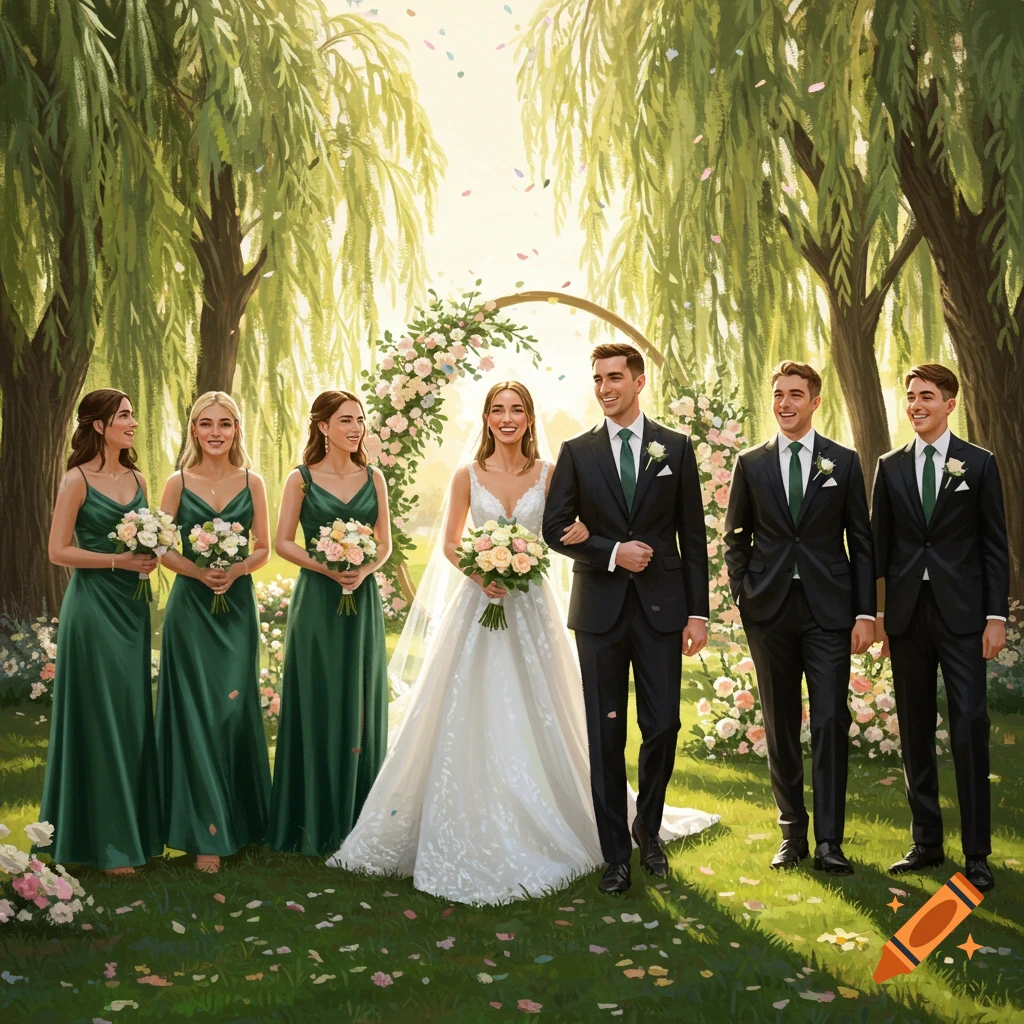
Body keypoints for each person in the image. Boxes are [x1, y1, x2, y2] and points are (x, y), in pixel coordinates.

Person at [328, 381, 719, 904]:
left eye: (516, 409)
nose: (507, 418)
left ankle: (608, 825)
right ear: (487, 418)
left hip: (533, 606)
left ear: (529, 418)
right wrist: (479, 570)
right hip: (480, 602)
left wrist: (584, 540)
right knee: (471, 710)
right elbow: (448, 542)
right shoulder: (467, 476)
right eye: (497, 410)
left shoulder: (552, 472)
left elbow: (562, 527)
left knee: (555, 711)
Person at [543, 345, 712, 895]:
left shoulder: (675, 448)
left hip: (664, 611)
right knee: (605, 735)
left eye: (615, 377)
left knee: (663, 725)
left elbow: (693, 536)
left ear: (639, 381)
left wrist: (697, 612)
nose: (605, 387)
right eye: (597, 379)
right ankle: (616, 854)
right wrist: (613, 552)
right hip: (600, 614)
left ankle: (649, 826)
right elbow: (554, 527)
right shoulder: (577, 451)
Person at [723, 361, 875, 875]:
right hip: (768, 611)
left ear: (815, 401)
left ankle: (831, 841)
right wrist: (742, 591)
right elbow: (734, 537)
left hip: (829, 610)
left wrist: (863, 612)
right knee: (780, 722)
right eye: (778, 395)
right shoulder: (751, 463)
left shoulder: (845, 462)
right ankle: (793, 835)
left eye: (795, 394)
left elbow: (862, 541)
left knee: (831, 720)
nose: (785, 403)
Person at [873, 363, 1008, 893]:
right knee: (914, 730)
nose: (916, 405)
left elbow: (995, 546)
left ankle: (977, 853)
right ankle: (926, 841)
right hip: (907, 616)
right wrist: (878, 614)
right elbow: (877, 547)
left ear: (950, 403)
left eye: (926, 396)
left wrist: (995, 616)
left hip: (964, 617)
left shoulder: (979, 463)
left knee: (970, 725)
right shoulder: (890, 466)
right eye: (910, 397)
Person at [39, 389, 162, 875]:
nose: (133, 422)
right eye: (124, 415)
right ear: (99, 425)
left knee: (130, 717)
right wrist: (117, 560)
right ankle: (107, 845)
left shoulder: (137, 478)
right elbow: (57, 551)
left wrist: (148, 559)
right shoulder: (76, 480)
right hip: (92, 608)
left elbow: (146, 532)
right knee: (100, 716)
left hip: (132, 608)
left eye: (133, 413)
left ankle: (134, 833)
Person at [267, 390, 392, 857]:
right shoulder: (300, 480)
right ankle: (310, 820)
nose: (356, 428)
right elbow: (282, 542)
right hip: (317, 602)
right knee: (317, 696)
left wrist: (364, 567)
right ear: (322, 427)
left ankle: (360, 819)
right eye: (345, 420)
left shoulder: (373, 477)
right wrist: (327, 565)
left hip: (363, 601)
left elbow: (385, 544)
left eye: (360, 419)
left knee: (359, 698)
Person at [155, 392, 272, 873]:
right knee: (196, 714)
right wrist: (200, 573)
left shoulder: (254, 481)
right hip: (190, 608)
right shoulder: (177, 482)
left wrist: (237, 568)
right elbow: (161, 547)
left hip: (237, 607)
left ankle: (241, 824)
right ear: (194, 431)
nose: (216, 432)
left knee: (231, 710)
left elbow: (264, 546)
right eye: (206, 424)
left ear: (237, 429)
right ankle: (206, 834)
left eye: (225, 424)